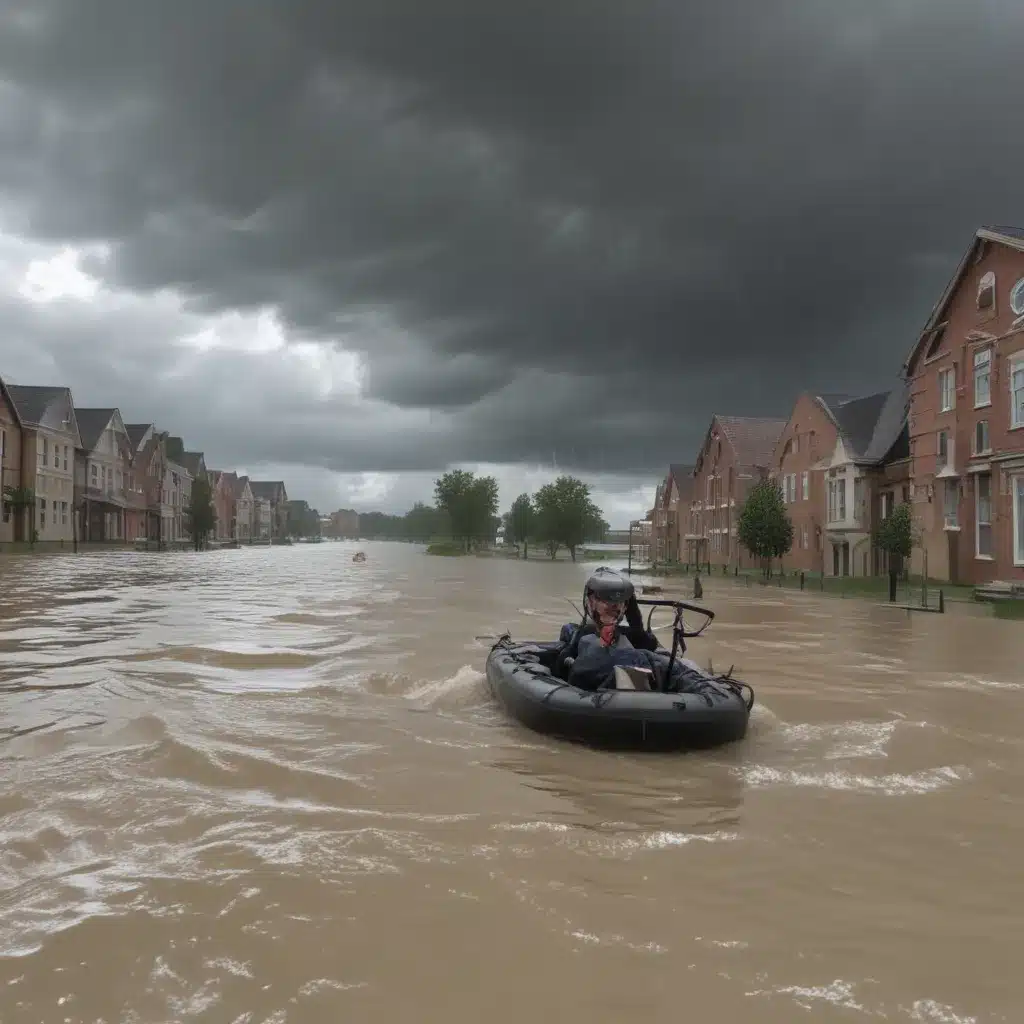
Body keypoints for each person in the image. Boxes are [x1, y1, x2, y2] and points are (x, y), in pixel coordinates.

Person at [557, 567, 713, 694]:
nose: (610, 606)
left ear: (625, 606)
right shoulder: (579, 637)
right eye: (604, 600)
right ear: (591, 602)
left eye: (617, 602)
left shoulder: (638, 639)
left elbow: (641, 635)